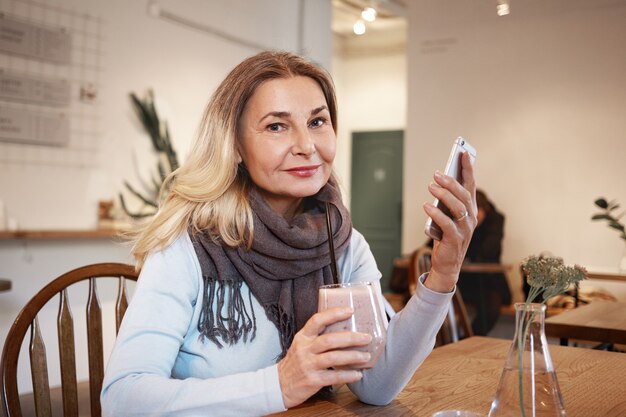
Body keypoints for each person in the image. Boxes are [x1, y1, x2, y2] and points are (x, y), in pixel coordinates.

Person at [101, 51, 477, 416]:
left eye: (317, 121)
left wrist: (443, 276)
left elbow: (375, 386)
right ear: (234, 147)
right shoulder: (187, 245)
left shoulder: (342, 243)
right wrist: (279, 384)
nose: (307, 146)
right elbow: (123, 398)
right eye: (276, 126)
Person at [454, 189, 510, 335]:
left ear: (485, 209)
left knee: (491, 307)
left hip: (489, 281)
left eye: (478, 210)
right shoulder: (460, 219)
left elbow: (488, 250)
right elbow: (431, 246)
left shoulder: (496, 220)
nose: (475, 215)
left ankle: (468, 340)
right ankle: (451, 341)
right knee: (443, 298)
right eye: (471, 211)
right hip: (465, 281)